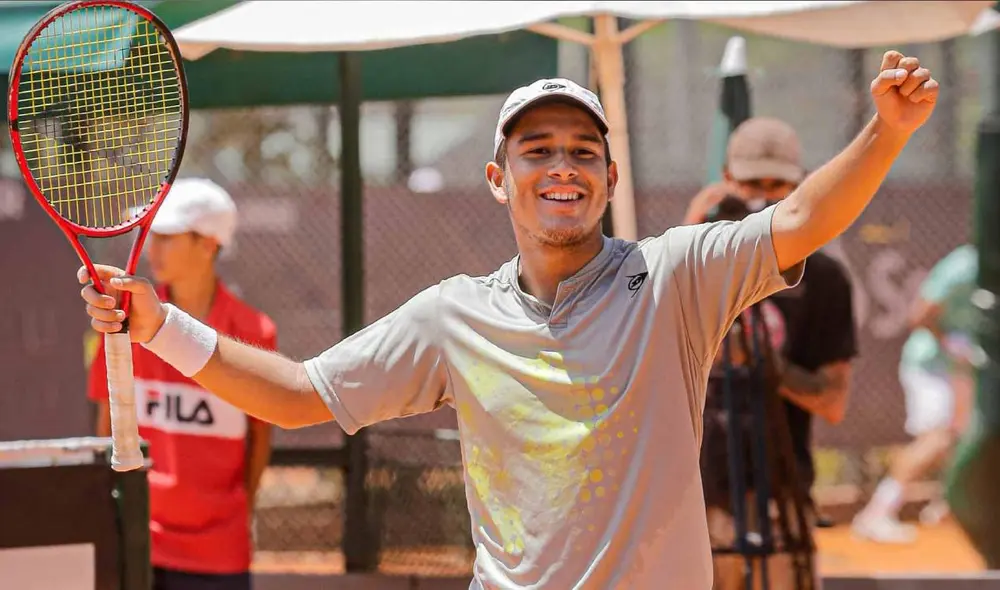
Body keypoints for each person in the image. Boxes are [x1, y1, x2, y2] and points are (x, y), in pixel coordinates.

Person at [78, 52, 937, 589]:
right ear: (498, 179)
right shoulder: (454, 315)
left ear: (608, 178)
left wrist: (888, 130)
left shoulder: (674, 276)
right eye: (538, 150)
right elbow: (300, 395)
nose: (563, 166)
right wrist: (158, 326)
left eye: (583, 151)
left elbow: (802, 220)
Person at [692, 117, 859, 590]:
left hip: (780, 494)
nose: (762, 199)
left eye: (776, 186)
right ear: (726, 180)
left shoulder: (823, 278)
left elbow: (833, 401)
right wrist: (695, 226)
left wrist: (765, 363)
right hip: (694, 495)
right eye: (750, 184)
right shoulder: (692, 265)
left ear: (800, 184)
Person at [86, 178, 276, 590]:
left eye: (167, 237)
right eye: (151, 236)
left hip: (220, 552)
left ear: (208, 244)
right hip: (137, 540)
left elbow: (260, 435)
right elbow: (106, 427)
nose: (151, 248)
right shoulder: (121, 319)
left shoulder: (255, 331)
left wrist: (239, 514)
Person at [852, 243, 978, 544]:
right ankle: (876, 514)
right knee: (937, 438)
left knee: (966, 438)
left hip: (963, 369)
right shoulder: (965, 265)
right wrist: (951, 343)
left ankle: (953, 505)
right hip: (930, 366)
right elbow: (919, 314)